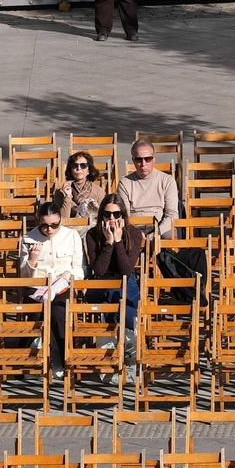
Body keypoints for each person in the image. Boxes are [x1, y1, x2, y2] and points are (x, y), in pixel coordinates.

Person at [18, 195, 84, 378]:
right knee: (36, 313)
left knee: (58, 312)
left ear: (60, 220)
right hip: (37, 286)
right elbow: (24, 277)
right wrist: (31, 260)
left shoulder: (71, 236)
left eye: (55, 225)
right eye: (45, 225)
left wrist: (68, 275)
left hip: (62, 285)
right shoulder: (28, 238)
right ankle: (24, 360)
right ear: (39, 222)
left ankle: (64, 360)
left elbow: (80, 268)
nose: (49, 229)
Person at [83, 192, 145, 326]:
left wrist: (118, 241)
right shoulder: (93, 234)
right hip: (102, 281)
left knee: (121, 302)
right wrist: (109, 243)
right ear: (101, 215)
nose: (111, 218)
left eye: (116, 214)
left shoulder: (133, 233)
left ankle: (126, 339)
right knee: (112, 297)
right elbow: (99, 270)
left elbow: (126, 270)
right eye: (107, 214)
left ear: (122, 215)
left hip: (126, 280)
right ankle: (112, 338)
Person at [118, 138, 180, 239]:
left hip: (160, 226)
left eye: (148, 159)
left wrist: (158, 232)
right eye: (139, 159)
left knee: (170, 237)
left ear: (154, 159)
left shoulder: (167, 180)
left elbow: (172, 214)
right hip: (135, 227)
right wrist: (135, 232)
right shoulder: (125, 183)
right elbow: (125, 216)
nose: (143, 164)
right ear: (133, 160)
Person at [59, 151, 106, 225]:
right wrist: (67, 197)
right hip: (70, 229)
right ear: (70, 170)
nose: (79, 168)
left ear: (89, 170)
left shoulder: (98, 191)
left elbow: (102, 219)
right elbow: (61, 221)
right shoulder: (61, 192)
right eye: (75, 165)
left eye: (83, 165)